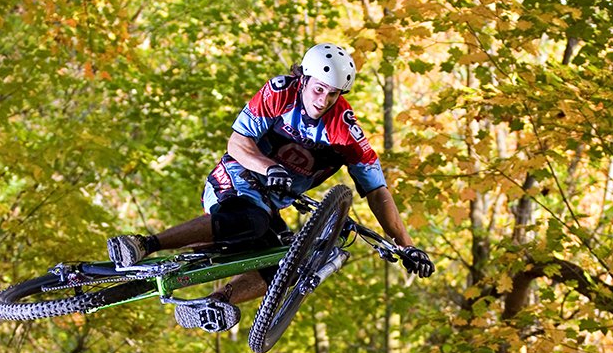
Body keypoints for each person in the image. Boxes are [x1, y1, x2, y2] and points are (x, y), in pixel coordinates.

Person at [107, 41, 435, 333]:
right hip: (236, 178)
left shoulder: (345, 132)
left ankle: (214, 302)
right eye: (318, 89)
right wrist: (269, 167)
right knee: (251, 220)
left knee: (288, 265)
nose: (323, 100)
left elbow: (378, 191)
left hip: (268, 203)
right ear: (304, 80)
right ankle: (144, 244)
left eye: (332, 94)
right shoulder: (279, 94)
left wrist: (406, 245)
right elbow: (237, 144)